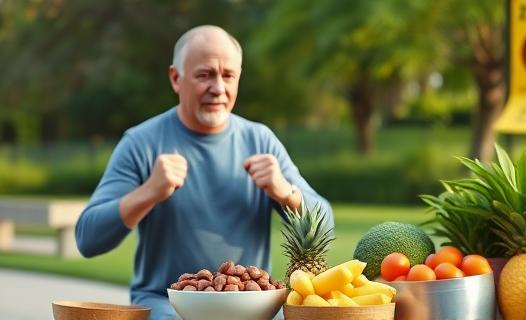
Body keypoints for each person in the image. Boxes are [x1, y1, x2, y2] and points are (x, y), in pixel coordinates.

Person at [75, 25, 333, 319]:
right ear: (175, 78)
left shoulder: (260, 141)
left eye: (228, 76)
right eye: (204, 75)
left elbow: (326, 226)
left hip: (253, 305)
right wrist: (148, 192)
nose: (218, 88)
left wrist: (286, 193)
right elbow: (88, 238)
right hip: (168, 306)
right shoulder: (141, 143)